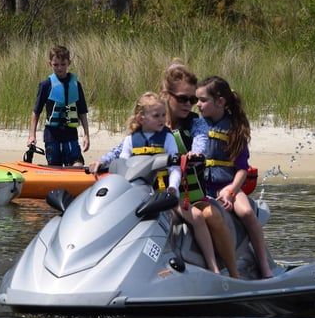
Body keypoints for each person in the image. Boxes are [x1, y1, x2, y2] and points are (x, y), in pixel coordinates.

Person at [88, 92, 222, 274]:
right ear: (141, 118)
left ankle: (213, 266)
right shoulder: (130, 141)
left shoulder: (167, 138)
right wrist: (103, 163)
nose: (162, 120)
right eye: (156, 116)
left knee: (197, 216)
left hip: (164, 196)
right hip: (138, 197)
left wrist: (173, 188)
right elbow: (123, 165)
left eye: (163, 115)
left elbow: (175, 168)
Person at [160, 60, 240, 278]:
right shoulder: (154, 120)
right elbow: (130, 144)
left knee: (211, 214)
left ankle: (233, 274)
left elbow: (201, 142)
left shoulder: (197, 124)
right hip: (159, 193)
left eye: (193, 99)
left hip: (188, 195)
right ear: (166, 95)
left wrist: (195, 154)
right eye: (182, 99)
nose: (189, 104)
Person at [196, 75, 274, 278]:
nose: (198, 104)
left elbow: (242, 169)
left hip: (230, 185)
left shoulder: (234, 128)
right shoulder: (196, 125)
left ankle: (264, 265)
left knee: (246, 213)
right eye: (197, 99)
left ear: (220, 101)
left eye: (203, 100)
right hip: (202, 187)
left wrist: (231, 191)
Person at [27, 45, 90, 166]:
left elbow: (82, 112)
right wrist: (32, 136)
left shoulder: (76, 85)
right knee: (55, 168)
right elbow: (36, 112)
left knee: (78, 165)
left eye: (63, 64)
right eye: (56, 65)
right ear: (50, 64)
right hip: (52, 137)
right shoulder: (45, 85)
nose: (59, 68)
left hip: (71, 136)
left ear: (69, 63)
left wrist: (86, 135)